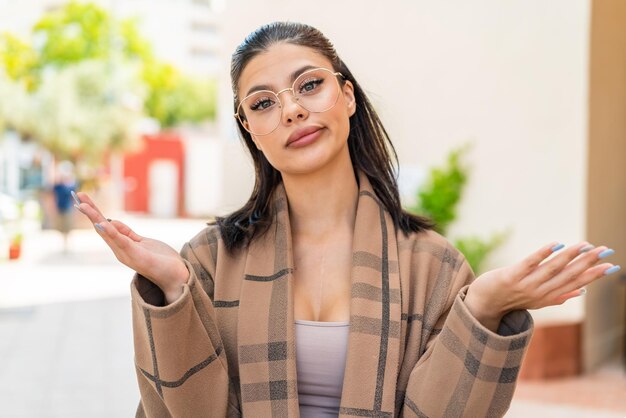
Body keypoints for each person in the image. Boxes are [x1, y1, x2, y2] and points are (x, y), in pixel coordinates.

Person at [74, 22, 620, 418]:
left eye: (309, 85)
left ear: (347, 97)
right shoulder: (207, 260)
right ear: (251, 133)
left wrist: (483, 307)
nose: (290, 109)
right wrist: (171, 290)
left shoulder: (431, 263)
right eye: (263, 103)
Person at [52, 161, 77, 253]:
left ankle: (67, 245)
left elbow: (74, 195)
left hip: (67, 208)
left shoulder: (70, 185)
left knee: (67, 227)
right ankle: (64, 244)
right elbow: (53, 195)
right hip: (60, 208)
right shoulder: (58, 185)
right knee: (61, 228)